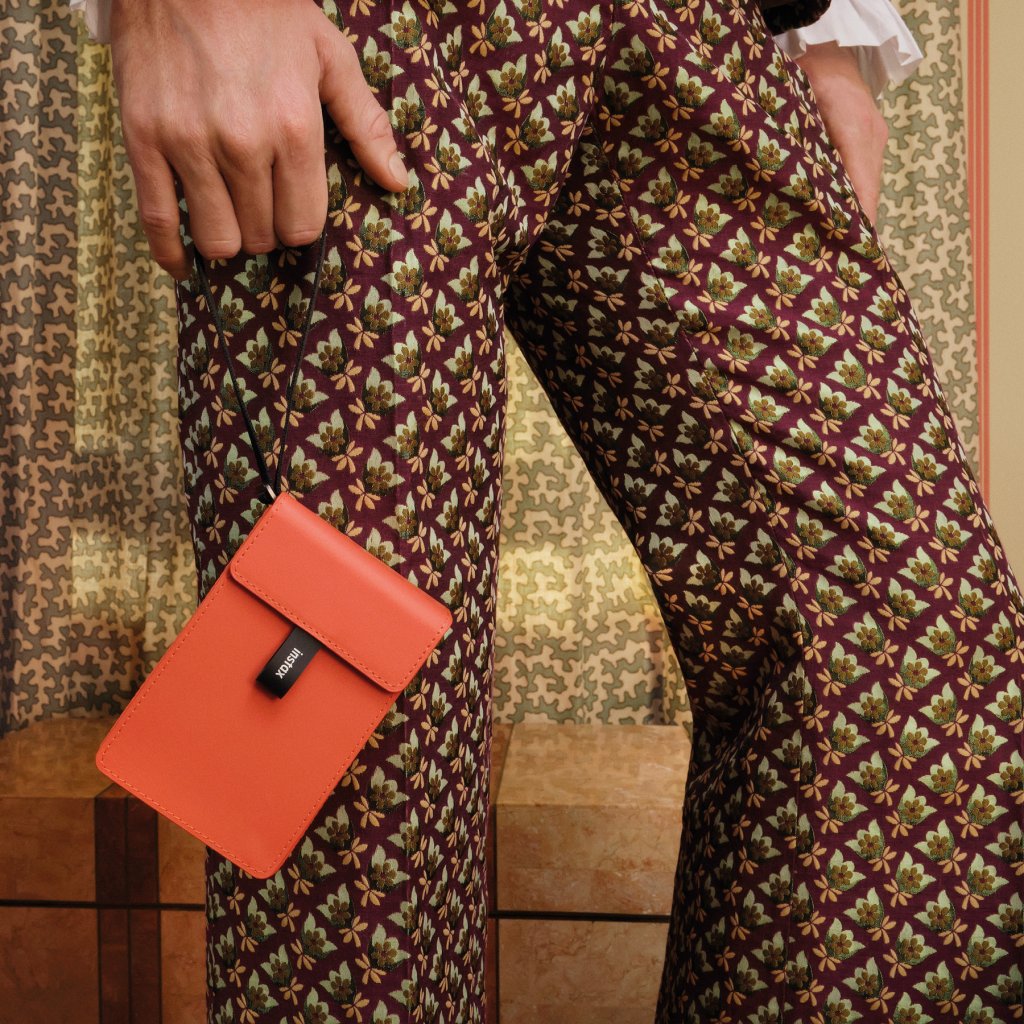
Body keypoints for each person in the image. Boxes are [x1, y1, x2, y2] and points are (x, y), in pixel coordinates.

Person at [71, 0, 1022, 1022]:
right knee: (352, 786)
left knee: (913, 664)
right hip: (373, 35)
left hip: (694, 25)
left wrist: (829, 35)